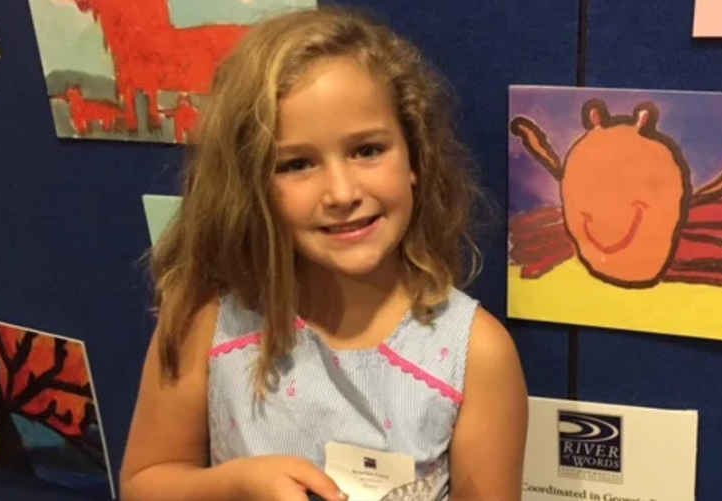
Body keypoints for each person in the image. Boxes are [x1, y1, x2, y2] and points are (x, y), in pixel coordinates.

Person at [118, 5, 528, 501]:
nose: (340, 192)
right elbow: (145, 482)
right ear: (252, 183)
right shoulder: (206, 319)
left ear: (414, 156)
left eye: (367, 150)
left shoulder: (473, 354)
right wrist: (239, 485)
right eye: (296, 164)